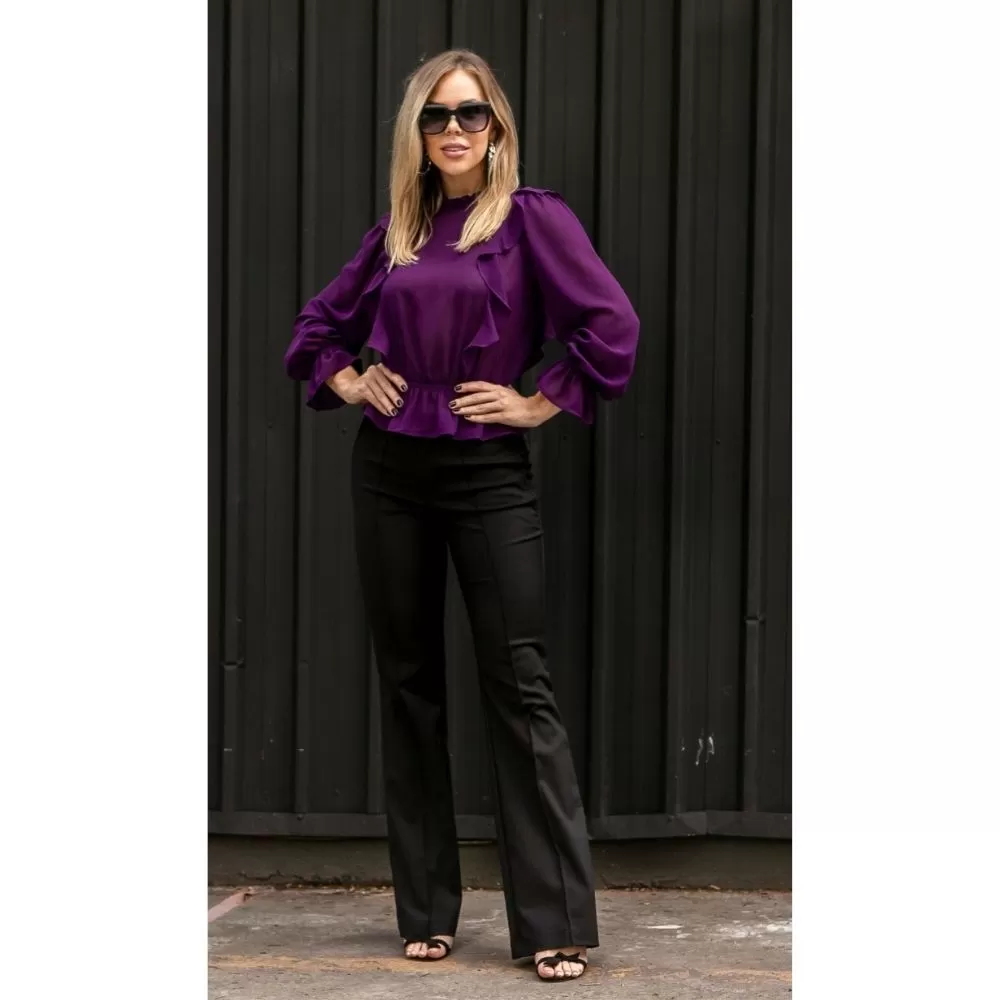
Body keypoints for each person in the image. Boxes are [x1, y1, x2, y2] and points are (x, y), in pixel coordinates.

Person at [284, 48, 639, 983]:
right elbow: (317, 330)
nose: (453, 130)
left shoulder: (530, 218)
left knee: (520, 684)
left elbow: (612, 325)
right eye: (435, 116)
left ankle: (555, 922)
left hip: (486, 471)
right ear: (417, 130)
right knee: (408, 685)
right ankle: (426, 910)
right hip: (389, 470)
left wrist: (537, 402)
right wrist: (349, 378)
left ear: (497, 126)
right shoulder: (399, 229)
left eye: (470, 113)